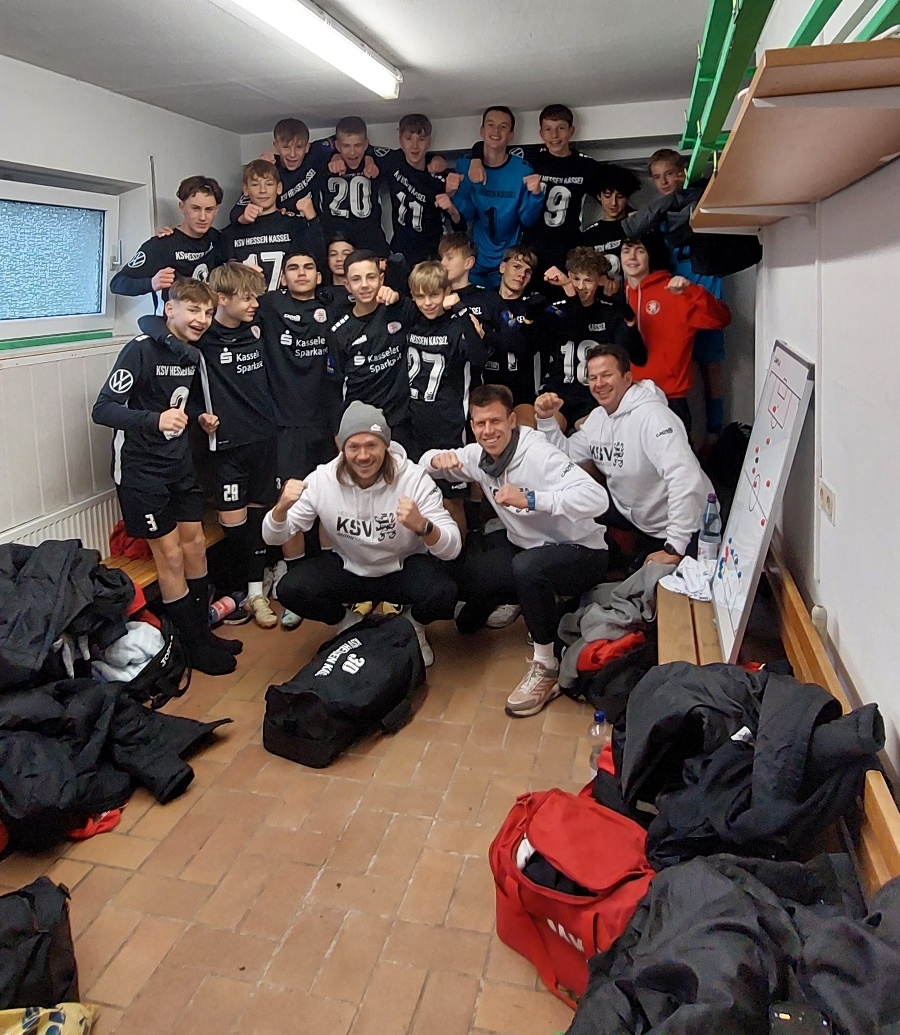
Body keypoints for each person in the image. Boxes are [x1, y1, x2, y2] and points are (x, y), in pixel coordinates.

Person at [421, 384, 609, 717]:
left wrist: (532, 499)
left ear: (511, 421)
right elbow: (426, 464)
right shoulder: (477, 455)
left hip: (581, 551)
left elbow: (597, 499)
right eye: (480, 424)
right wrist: (436, 459)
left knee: (528, 567)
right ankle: (531, 602)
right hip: (527, 548)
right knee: (464, 575)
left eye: (495, 421)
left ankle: (546, 666)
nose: (488, 431)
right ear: (472, 426)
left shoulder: (538, 454)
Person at [92, 278, 239, 675]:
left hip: (179, 463)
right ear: (170, 309)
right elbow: (103, 409)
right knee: (170, 554)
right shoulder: (140, 350)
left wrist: (198, 416)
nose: (202, 319)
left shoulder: (188, 352)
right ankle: (192, 646)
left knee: (195, 545)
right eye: (193, 310)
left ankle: (202, 632)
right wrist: (154, 420)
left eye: (207, 312)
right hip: (142, 471)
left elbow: (177, 402)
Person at [262, 402, 461, 666]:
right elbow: (272, 537)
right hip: (350, 567)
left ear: (386, 445)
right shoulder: (322, 479)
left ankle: (413, 627)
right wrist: (280, 509)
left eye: (371, 445)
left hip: (401, 568)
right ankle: (349, 624)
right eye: (354, 446)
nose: (363, 456)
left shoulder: (413, 478)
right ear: (341, 447)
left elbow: (452, 547)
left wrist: (424, 526)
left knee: (445, 591)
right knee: (290, 589)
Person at [535, 344, 712, 567]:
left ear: (627, 379)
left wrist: (675, 547)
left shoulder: (653, 417)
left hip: (687, 529)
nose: (599, 384)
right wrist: (546, 420)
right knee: (571, 498)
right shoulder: (598, 418)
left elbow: (685, 479)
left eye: (607, 375)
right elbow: (564, 458)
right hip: (640, 522)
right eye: (593, 378)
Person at [256, 250, 344, 626]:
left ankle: (329, 582)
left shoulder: (335, 303)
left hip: (328, 423)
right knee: (290, 503)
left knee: (330, 501)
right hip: (286, 423)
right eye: (293, 268)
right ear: (283, 277)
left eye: (309, 267)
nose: (302, 273)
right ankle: (295, 588)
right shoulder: (269, 307)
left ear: (319, 275)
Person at [465, 104, 609, 278]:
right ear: (541, 133)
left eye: (561, 128)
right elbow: (493, 145)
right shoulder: (529, 157)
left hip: (567, 245)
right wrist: (475, 159)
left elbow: (611, 193)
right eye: (548, 129)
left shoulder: (586, 165)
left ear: (571, 131)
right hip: (531, 245)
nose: (554, 135)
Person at [406, 260, 488, 531]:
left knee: (452, 500)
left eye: (434, 295)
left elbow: (479, 359)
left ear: (447, 292)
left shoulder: (458, 324)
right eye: (421, 296)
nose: (428, 303)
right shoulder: (410, 322)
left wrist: (462, 310)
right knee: (417, 497)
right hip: (414, 424)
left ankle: (461, 551)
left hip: (449, 426)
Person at [621, 236, 730, 436]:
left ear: (651, 255)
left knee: (678, 457)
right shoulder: (616, 295)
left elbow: (721, 319)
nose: (632, 257)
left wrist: (692, 292)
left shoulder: (674, 291)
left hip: (670, 399)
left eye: (640, 251)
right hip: (626, 399)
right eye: (626, 251)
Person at [328, 114, 463, 267]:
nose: (414, 146)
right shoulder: (392, 161)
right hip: (401, 251)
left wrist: (451, 206)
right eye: (408, 139)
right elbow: (361, 149)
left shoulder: (439, 175)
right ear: (400, 140)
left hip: (432, 253)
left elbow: (460, 227)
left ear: (429, 142)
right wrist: (337, 155)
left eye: (421, 139)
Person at [540, 246, 646, 429]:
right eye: (575, 279)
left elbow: (638, 356)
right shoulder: (555, 310)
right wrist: (568, 291)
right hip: (559, 391)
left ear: (601, 281)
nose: (581, 287)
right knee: (548, 434)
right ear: (567, 276)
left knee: (591, 435)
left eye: (588, 280)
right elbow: (574, 328)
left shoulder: (609, 313)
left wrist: (628, 321)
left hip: (594, 397)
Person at [328, 249, 419, 450]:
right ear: (347, 285)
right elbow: (334, 387)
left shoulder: (399, 309)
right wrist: (337, 430)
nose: (364, 285)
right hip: (361, 423)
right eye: (356, 279)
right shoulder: (339, 332)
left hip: (400, 420)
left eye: (370, 277)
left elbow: (430, 314)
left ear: (381, 278)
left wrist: (397, 297)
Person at [450, 107, 544, 288]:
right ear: (482, 130)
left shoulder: (522, 169)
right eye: (490, 125)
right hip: (475, 257)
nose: (496, 131)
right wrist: (454, 194)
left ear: (511, 135)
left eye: (503, 127)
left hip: (509, 259)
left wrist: (536, 195)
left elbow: (528, 220)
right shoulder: (465, 165)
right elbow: (466, 215)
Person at [111, 176, 224, 303]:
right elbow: (117, 283)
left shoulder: (217, 238)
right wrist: (151, 283)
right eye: (195, 208)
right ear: (182, 207)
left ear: (216, 210)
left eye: (209, 210)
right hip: (172, 315)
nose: (203, 217)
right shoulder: (162, 244)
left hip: (208, 313)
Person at [221, 159, 324, 290]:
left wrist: (313, 219)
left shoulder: (295, 225)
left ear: (279, 188)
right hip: (246, 301)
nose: (262, 190)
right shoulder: (231, 233)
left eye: (269, 184)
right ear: (245, 189)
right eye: (255, 185)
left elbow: (318, 261)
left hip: (286, 301)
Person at [315, 116, 390, 257]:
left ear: (366, 144)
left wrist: (369, 156)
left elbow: (404, 158)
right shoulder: (323, 162)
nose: (352, 152)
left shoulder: (377, 163)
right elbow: (308, 147)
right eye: (346, 146)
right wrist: (334, 154)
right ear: (337, 145)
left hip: (370, 241)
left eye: (358, 145)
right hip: (335, 241)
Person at [228, 118, 324, 224]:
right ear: (276, 146)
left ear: (307, 147)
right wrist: (245, 217)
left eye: (299, 147)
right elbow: (235, 213)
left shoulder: (315, 157)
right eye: (286, 147)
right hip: (283, 228)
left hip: (314, 225)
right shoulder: (269, 169)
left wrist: (335, 157)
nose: (292, 154)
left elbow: (337, 139)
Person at [581, 163, 643, 279]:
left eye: (620, 196)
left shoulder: (637, 225)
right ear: (599, 196)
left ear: (627, 197)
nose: (613, 203)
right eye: (607, 195)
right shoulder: (588, 236)